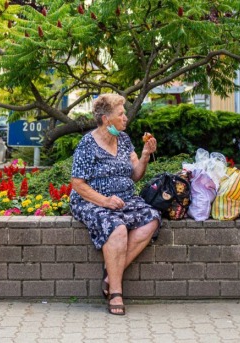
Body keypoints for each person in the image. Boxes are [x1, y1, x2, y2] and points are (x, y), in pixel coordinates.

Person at [70, 94, 160, 316]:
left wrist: (146, 155)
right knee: (117, 228)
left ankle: (111, 275)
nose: (125, 118)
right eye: (121, 114)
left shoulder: (125, 139)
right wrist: (106, 201)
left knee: (152, 219)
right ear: (106, 119)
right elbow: (77, 183)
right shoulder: (87, 144)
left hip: (124, 198)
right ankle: (116, 292)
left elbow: (136, 175)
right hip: (92, 199)